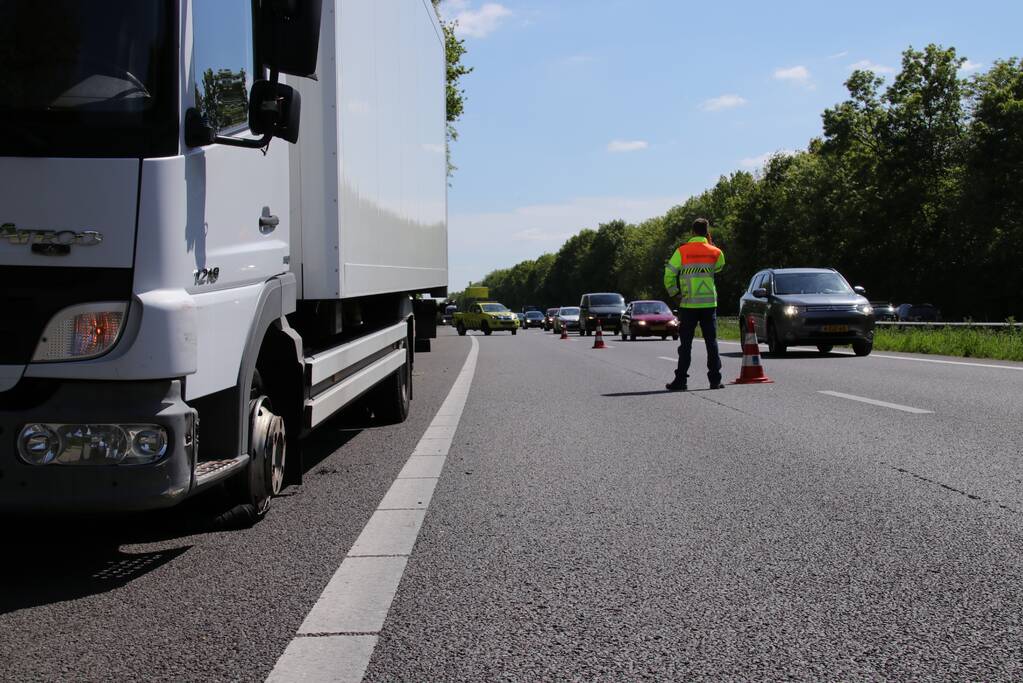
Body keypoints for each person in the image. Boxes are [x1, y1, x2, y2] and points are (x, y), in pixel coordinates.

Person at [663, 218, 725, 391]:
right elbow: (719, 267)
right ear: (707, 233)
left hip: (688, 304)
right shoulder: (716, 251)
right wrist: (711, 245)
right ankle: (715, 380)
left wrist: (674, 293)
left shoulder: (681, 251)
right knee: (711, 343)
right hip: (708, 304)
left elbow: (668, 274)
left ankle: (681, 381)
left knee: (686, 345)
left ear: (692, 232)